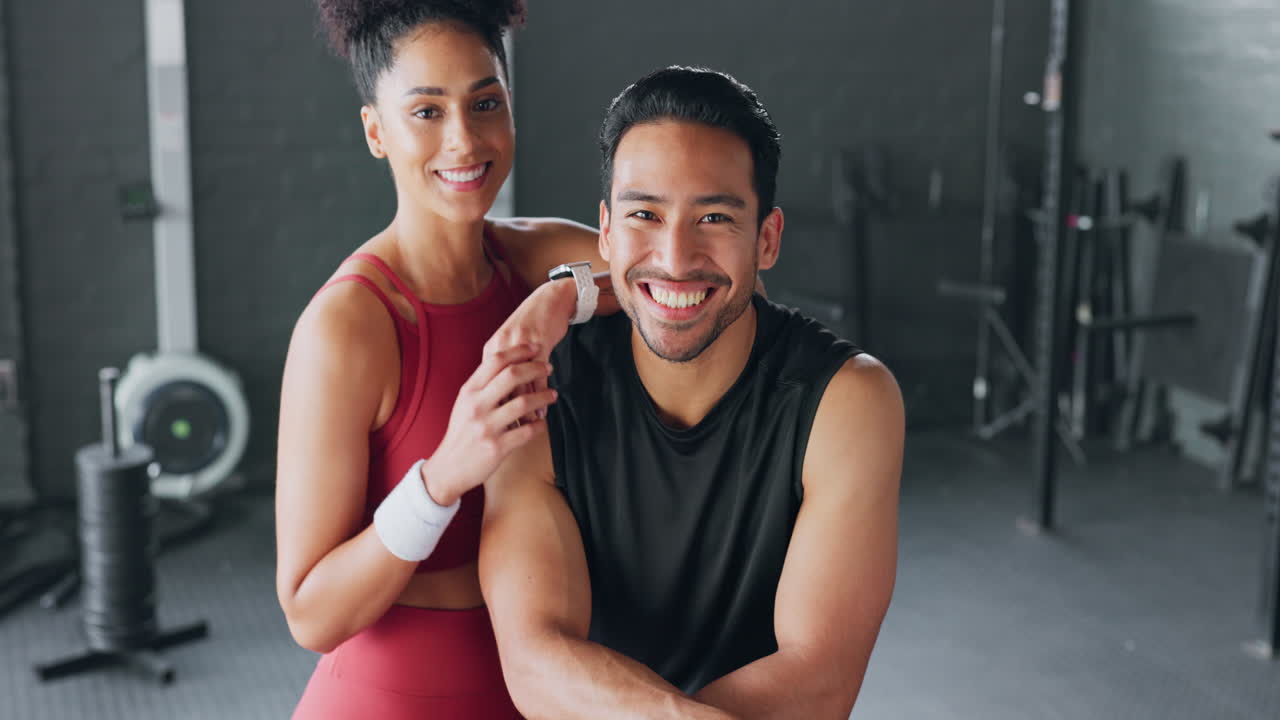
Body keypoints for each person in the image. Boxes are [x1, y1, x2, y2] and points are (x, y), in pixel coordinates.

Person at [478, 66, 904, 719]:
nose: (676, 258)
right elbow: (535, 659)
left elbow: (818, 679)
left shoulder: (846, 403)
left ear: (767, 239)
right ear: (607, 232)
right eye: (645, 214)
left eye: (714, 217)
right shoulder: (540, 388)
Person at [275, 1, 614, 717]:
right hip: (394, 695)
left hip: (540, 682)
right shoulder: (348, 326)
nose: (464, 140)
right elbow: (309, 614)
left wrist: (561, 297)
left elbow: (696, 280)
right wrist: (441, 479)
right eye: (426, 112)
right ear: (377, 131)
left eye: (485, 103)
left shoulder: (533, 259)